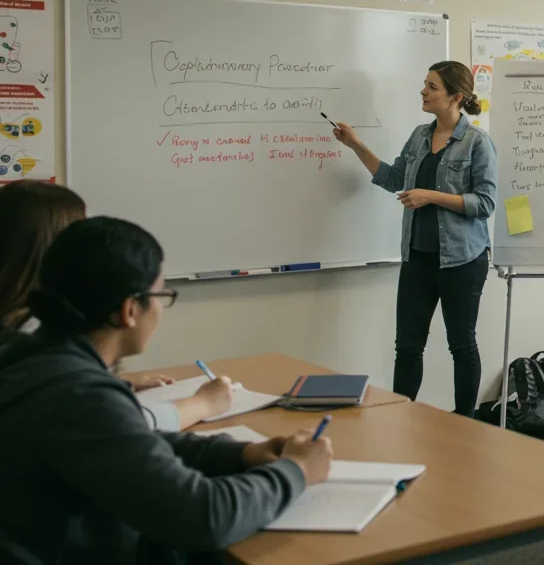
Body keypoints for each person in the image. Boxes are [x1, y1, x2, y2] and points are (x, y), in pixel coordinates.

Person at [0, 216, 333, 564]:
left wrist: (240, 455)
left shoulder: (34, 356)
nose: (162, 308)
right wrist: (296, 471)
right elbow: (205, 517)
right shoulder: (79, 394)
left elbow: (132, 441)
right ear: (129, 310)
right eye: (162, 294)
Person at [332, 60, 497, 416]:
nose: (423, 91)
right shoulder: (420, 135)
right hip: (417, 257)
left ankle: (465, 422)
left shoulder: (477, 143)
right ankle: (401, 416)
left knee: (462, 346)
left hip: (463, 261)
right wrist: (356, 144)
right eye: (424, 84)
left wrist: (431, 196)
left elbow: (485, 203)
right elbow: (395, 179)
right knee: (407, 347)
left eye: (432, 87)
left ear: (456, 97)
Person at [0, 180, 232, 430]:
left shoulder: (17, 320)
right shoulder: (33, 329)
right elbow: (110, 426)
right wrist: (202, 404)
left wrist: (115, 381)